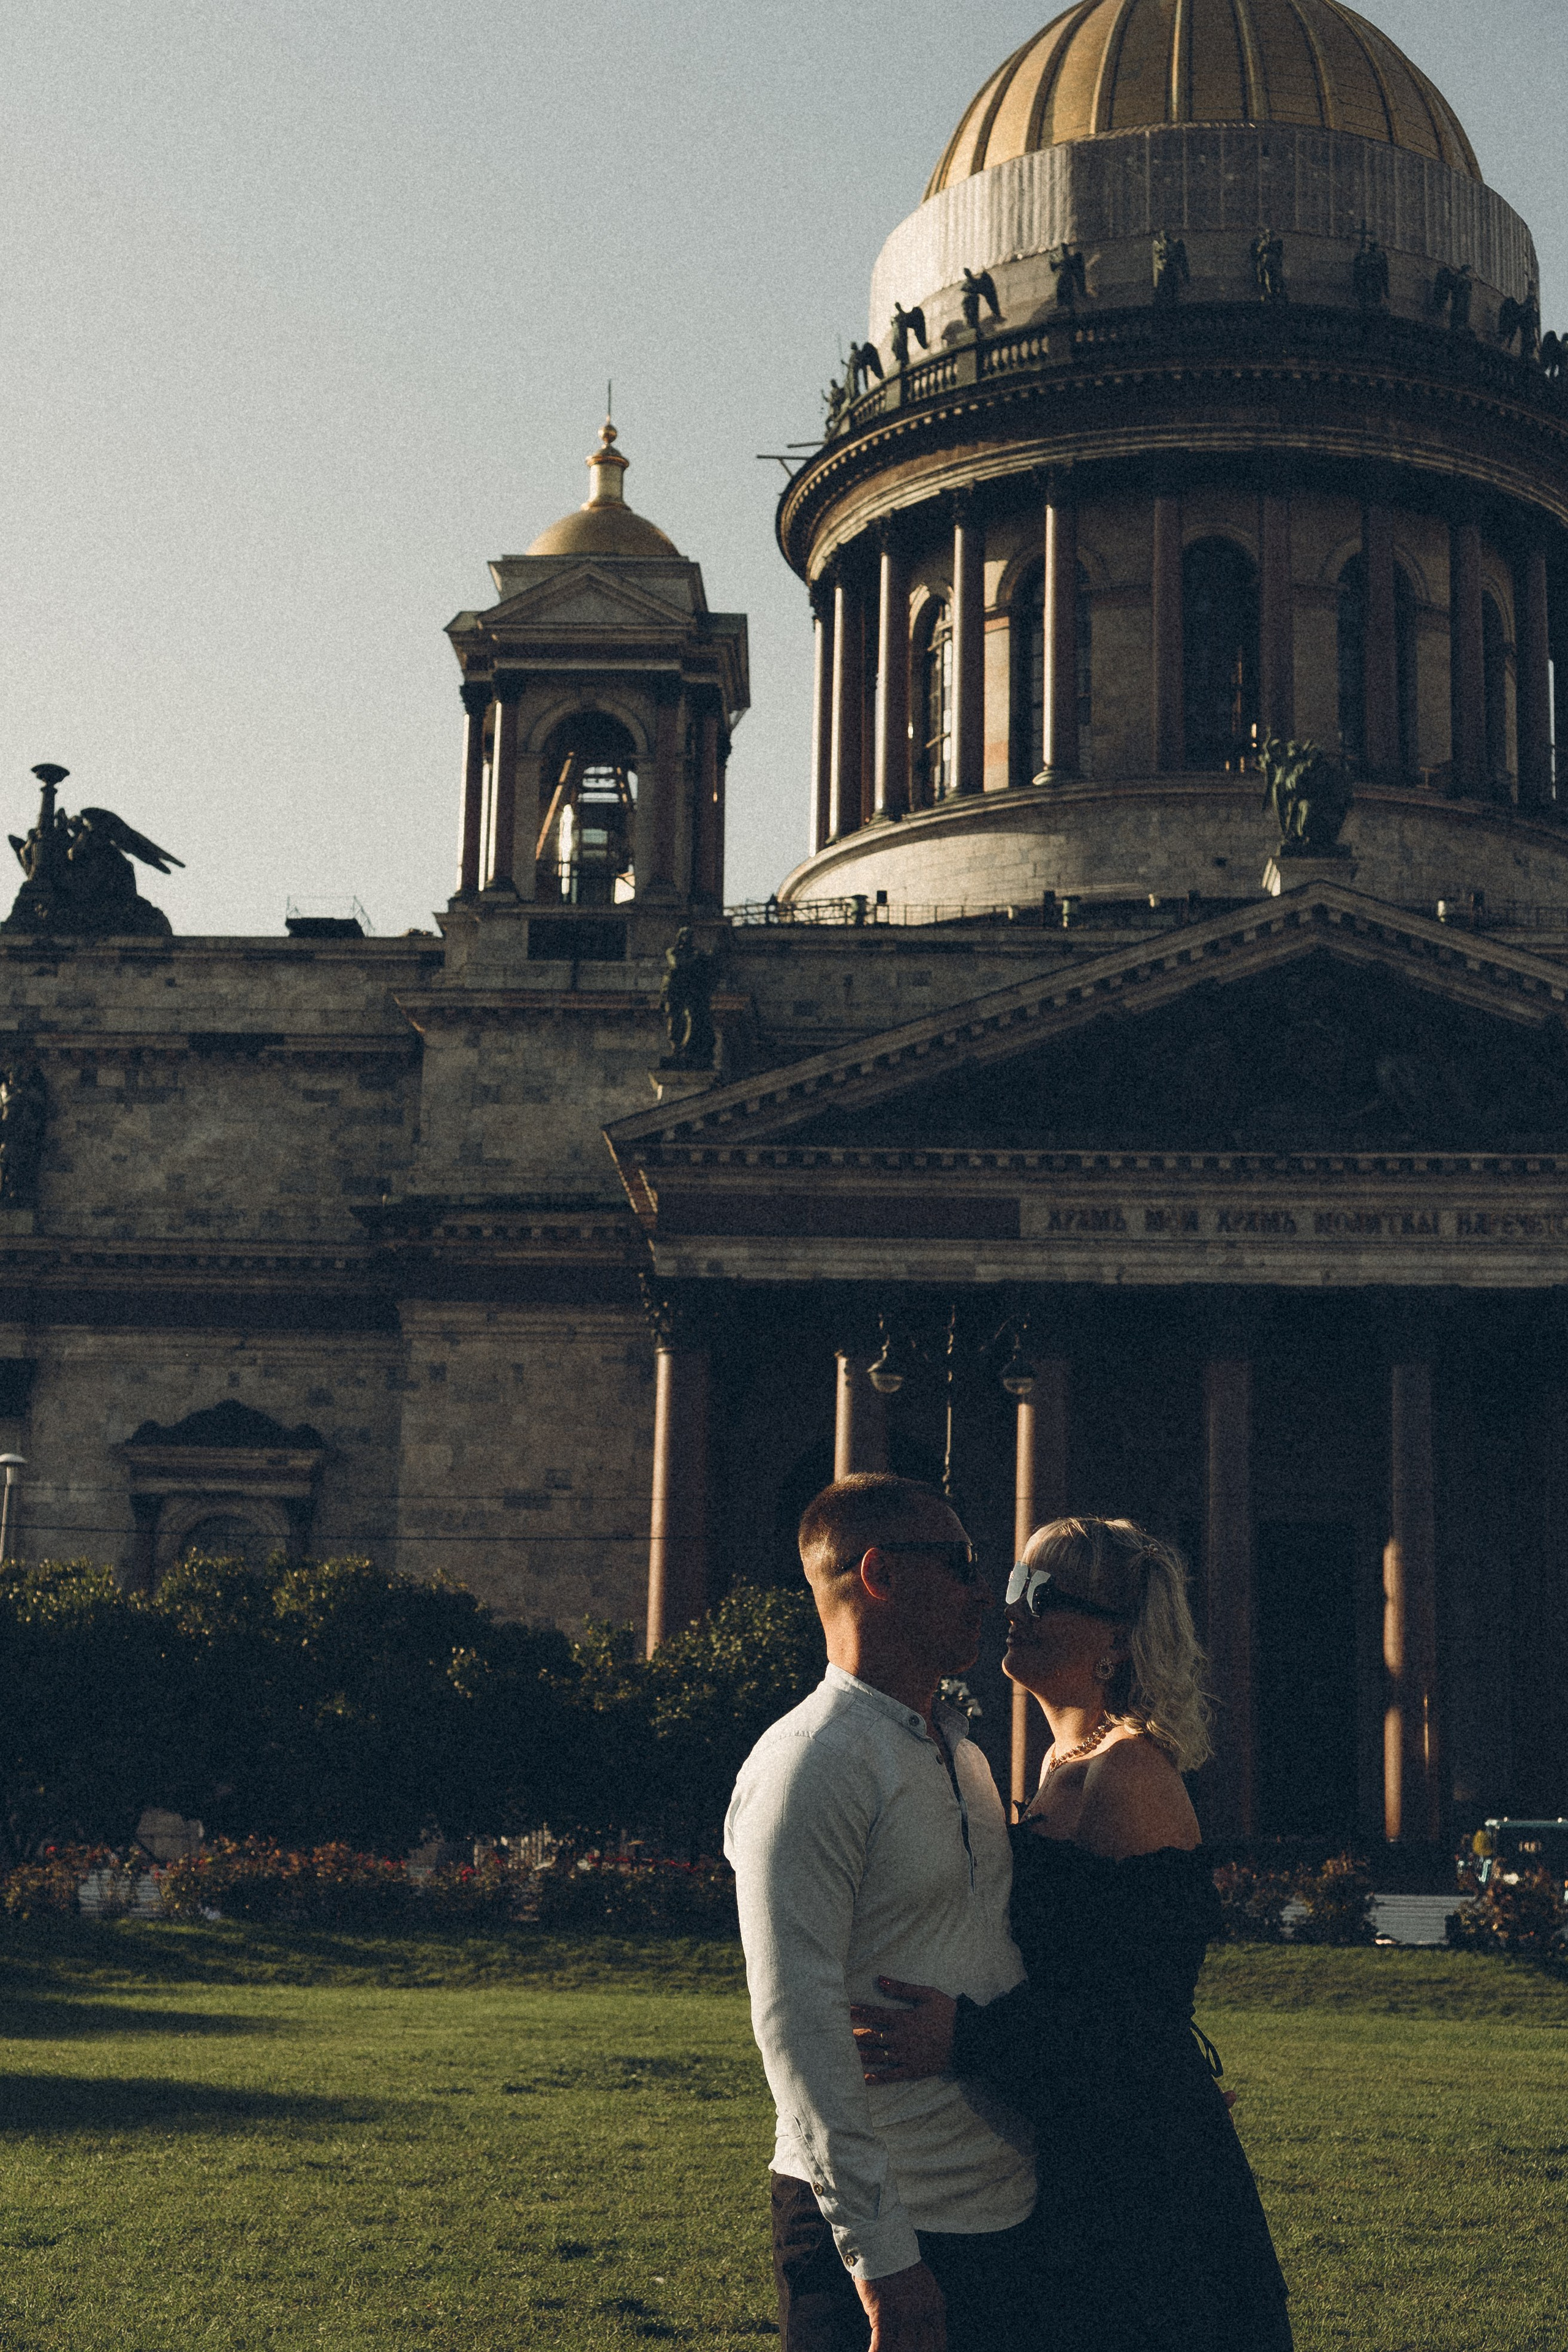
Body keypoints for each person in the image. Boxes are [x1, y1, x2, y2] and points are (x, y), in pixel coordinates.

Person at [851, 1515, 1292, 2352]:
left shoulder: (1128, 1773)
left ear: (1118, 1641)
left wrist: (966, 2036)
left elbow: (1140, 2023)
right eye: (1015, 1584)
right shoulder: (1064, 1765)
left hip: (1144, 2202)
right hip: (1086, 2155)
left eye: (1042, 1594)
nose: (1010, 1607)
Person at [724, 1474, 1045, 2352]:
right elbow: (796, 2024)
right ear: (881, 1575)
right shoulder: (810, 1761)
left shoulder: (965, 1755)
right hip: (882, 2236)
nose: (985, 1590)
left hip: (1004, 2214)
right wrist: (883, 2262)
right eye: (961, 1565)